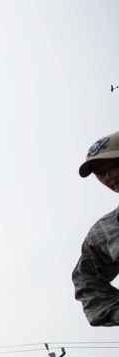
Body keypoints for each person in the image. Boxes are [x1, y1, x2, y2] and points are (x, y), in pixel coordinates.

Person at [72, 130, 119, 326]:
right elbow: (86, 281)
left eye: (116, 164)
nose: (110, 175)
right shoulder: (107, 229)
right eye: (101, 172)